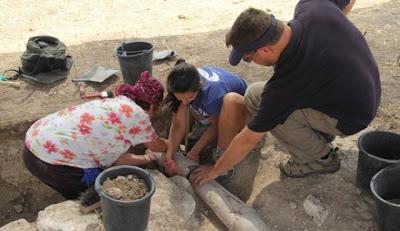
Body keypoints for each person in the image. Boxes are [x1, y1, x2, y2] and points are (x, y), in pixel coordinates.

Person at [193, 0, 381, 185]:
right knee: (254, 94)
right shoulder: (312, 6)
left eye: (249, 59)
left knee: (267, 109)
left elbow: (249, 139)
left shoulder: (286, 84)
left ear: (265, 49)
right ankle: (318, 135)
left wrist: (215, 169)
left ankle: (320, 159)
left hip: (351, 116)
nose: (249, 61)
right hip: (363, 90)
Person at [23, 71, 167, 199]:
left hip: (33, 146)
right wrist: (170, 144)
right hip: (52, 162)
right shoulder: (137, 115)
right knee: (97, 193)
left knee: (79, 194)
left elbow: (116, 160)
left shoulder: (117, 102)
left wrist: (147, 158)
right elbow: (157, 145)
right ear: (154, 105)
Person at [164, 59, 248, 177]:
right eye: (180, 98)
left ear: (198, 86)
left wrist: (194, 153)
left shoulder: (213, 94)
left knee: (228, 102)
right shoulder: (184, 82)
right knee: (189, 106)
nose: (184, 101)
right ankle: (203, 126)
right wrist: (169, 158)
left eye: (189, 97)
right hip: (213, 106)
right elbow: (178, 124)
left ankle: (223, 161)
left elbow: (217, 126)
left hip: (243, 114)